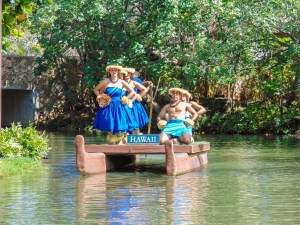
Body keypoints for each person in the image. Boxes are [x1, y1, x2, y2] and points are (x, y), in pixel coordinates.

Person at [93, 65, 136, 145]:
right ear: (109, 72)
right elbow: (96, 89)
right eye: (112, 70)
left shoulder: (122, 82)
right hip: (109, 106)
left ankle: (120, 142)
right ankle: (112, 143)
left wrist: (126, 98)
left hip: (119, 106)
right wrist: (99, 97)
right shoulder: (105, 82)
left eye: (115, 70)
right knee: (110, 124)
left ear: (118, 71)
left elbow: (133, 92)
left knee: (120, 124)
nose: (114, 72)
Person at [123, 68, 150, 134]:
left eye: (128, 73)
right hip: (123, 104)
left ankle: (136, 140)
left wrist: (139, 96)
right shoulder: (121, 82)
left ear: (130, 74)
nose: (127, 74)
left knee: (135, 123)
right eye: (125, 73)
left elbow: (144, 90)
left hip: (134, 105)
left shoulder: (133, 82)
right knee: (125, 123)